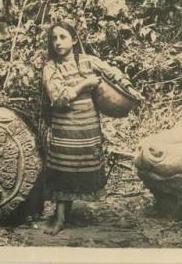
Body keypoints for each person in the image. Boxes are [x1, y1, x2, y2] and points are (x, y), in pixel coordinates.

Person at [41, 20, 136, 235]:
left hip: (88, 125)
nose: (58, 42)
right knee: (62, 168)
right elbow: (58, 98)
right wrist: (84, 84)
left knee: (83, 165)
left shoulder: (87, 62)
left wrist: (129, 86)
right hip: (64, 127)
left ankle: (69, 213)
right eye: (54, 38)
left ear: (74, 40)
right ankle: (60, 218)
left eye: (63, 37)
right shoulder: (50, 68)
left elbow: (111, 71)